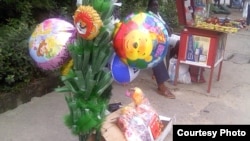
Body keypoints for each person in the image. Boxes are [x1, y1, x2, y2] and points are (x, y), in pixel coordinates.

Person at [147, 0, 176, 99]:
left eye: (157, 5)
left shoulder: (157, 15)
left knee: (176, 44)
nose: (156, 7)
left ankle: (163, 75)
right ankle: (161, 85)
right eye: (153, 5)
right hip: (147, 41)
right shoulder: (147, 16)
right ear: (149, 6)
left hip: (161, 39)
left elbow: (164, 27)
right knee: (156, 54)